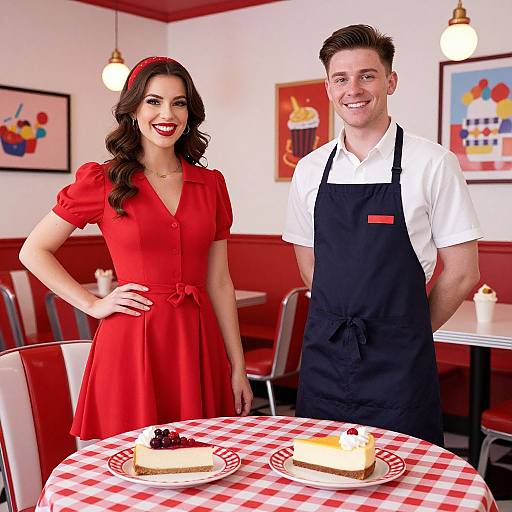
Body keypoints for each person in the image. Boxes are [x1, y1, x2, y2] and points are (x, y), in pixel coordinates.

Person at [20, 56, 253, 440]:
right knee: (129, 465)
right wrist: (93, 304)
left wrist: (237, 366)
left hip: (198, 341)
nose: (167, 113)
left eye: (178, 102)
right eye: (153, 101)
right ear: (133, 109)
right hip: (131, 343)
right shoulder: (103, 180)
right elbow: (33, 250)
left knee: (201, 461)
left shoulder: (211, 185)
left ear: (190, 111)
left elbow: (220, 283)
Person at [282, 26, 482, 446]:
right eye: (341, 78)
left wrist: (407, 329)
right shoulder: (310, 169)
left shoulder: (433, 162)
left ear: (390, 81)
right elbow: (309, 266)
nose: (353, 89)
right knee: (321, 474)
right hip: (325, 357)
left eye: (367, 75)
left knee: (406, 483)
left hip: (400, 365)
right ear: (329, 88)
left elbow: (463, 272)